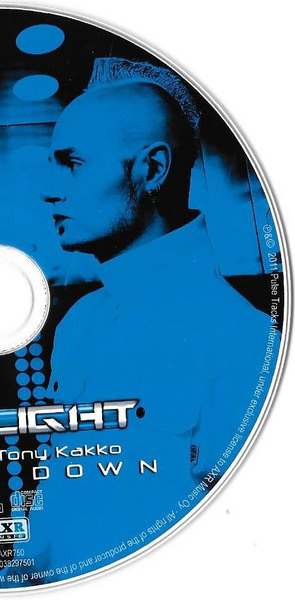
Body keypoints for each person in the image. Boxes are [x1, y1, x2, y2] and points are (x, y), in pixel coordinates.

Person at [23, 58, 276, 581]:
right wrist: (16, 573)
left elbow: (247, 547)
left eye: (72, 163)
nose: (48, 189)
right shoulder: (78, 325)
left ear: (152, 170)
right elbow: (62, 495)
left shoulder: (247, 342)